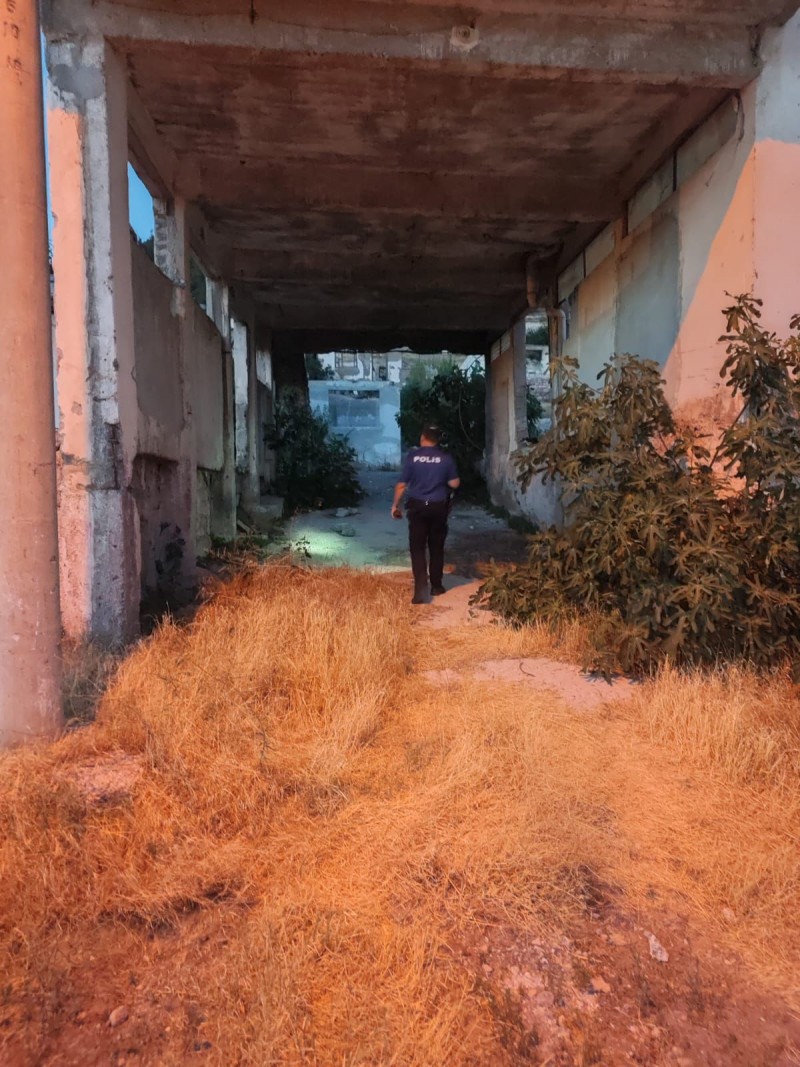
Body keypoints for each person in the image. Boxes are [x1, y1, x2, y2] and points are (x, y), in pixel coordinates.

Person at [391, 426, 460, 604]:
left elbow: (401, 485)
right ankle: (436, 585)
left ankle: (421, 590)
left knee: (417, 547)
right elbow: (455, 483)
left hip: (418, 507)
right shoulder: (446, 458)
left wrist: (395, 505)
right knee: (436, 546)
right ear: (437, 440)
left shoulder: (412, 457)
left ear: (423, 437)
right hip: (438, 506)